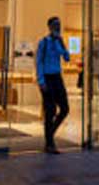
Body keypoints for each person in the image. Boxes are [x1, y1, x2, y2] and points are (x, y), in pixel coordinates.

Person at [36, 16, 70, 154]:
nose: (58, 27)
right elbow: (38, 62)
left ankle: (50, 134)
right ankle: (49, 144)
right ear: (49, 27)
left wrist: (62, 44)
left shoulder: (59, 42)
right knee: (50, 111)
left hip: (57, 77)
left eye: (59, 24)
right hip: (47, 79)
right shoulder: (43, 42)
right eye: (55, 25)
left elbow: (67, 58)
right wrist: (41, 81)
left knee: (65, 109)